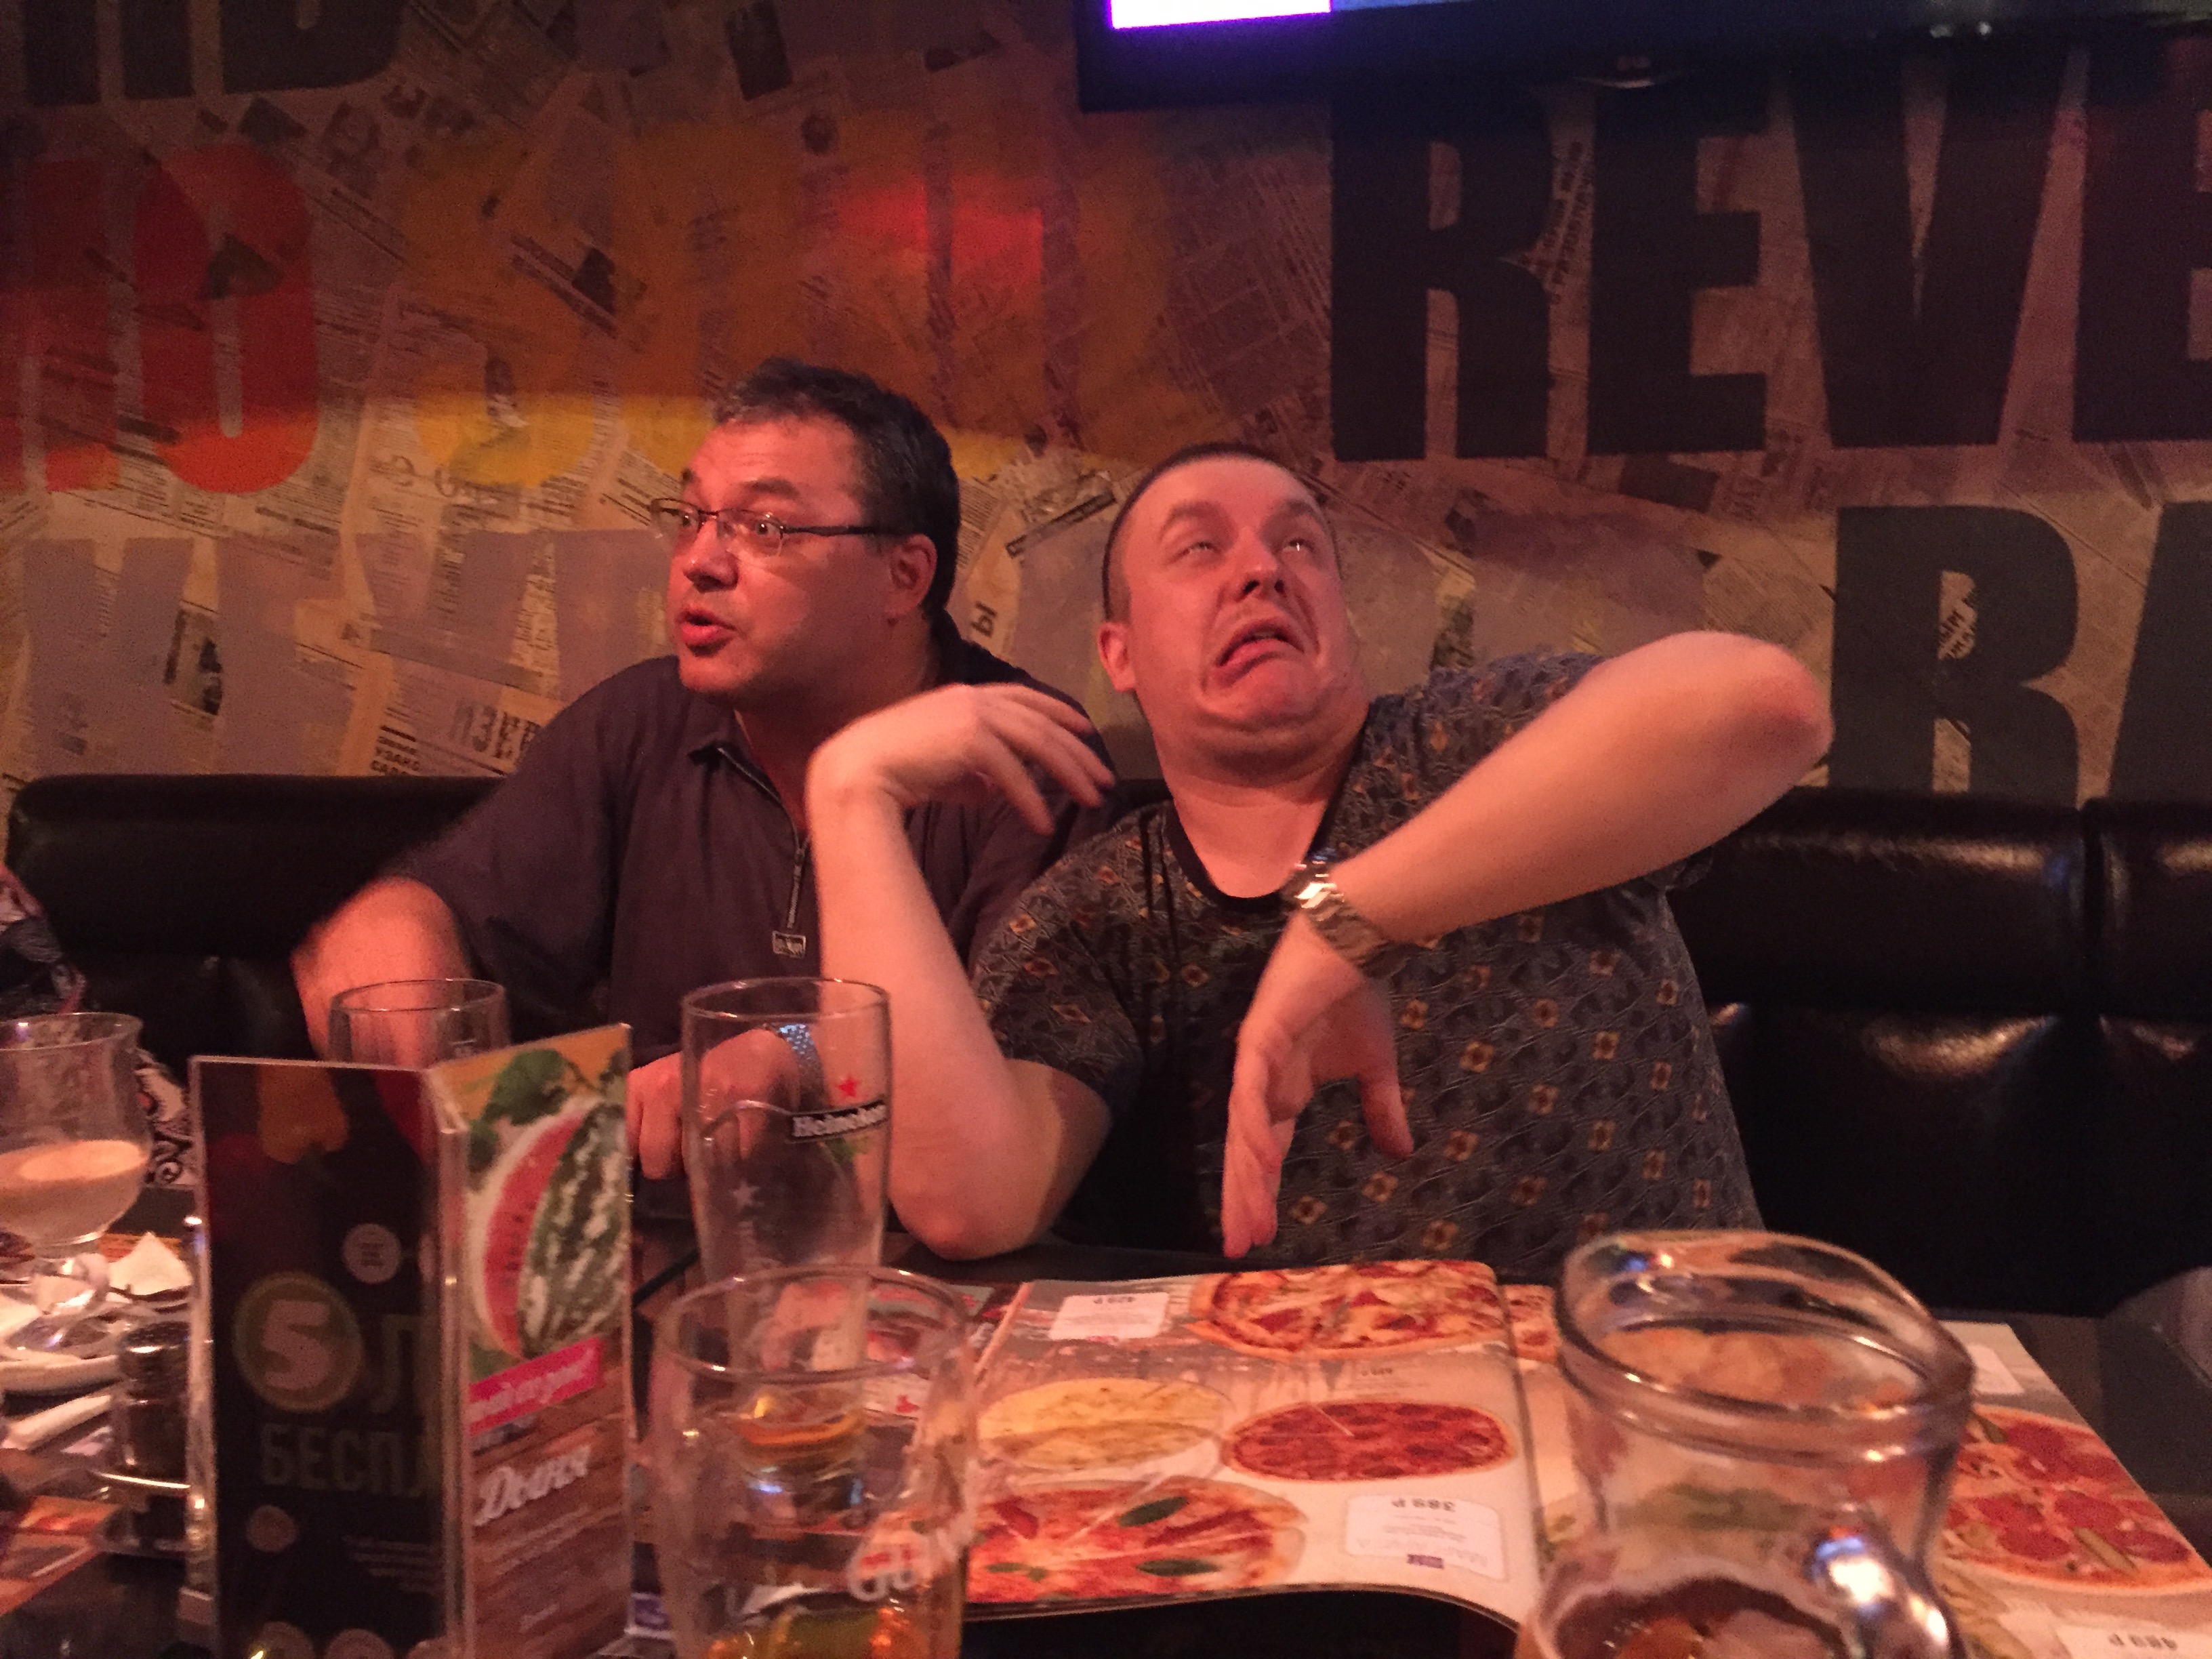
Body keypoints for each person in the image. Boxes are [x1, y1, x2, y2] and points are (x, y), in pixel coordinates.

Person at [802, 443, 1832, 1277]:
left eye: (1300, 544)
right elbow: (966, 1203)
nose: (1263, 570)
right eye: (1199, 549)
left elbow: (1769, 705)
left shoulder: (1477, 741)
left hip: (1664, 1393)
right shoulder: (1101, 913)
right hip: (1325, 1423)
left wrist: (1345, 923)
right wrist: (851, 794)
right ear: (1119, 653)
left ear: (1342, 615)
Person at [291, 360, 1111, 1178]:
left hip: (908, 1241)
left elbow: (1003, 1091)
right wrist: (396, 932)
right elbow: (445, 906)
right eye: (690, 519)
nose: (700, 562)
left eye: (766, 528)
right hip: (659, 1233)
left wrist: (794, 1051)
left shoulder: (1022, 762)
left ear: (904, 577)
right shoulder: (638, 724)